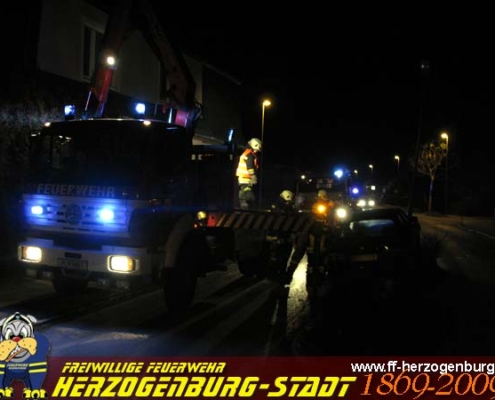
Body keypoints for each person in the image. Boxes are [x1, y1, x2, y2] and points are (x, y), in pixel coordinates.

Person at [236, 138, 262, 209]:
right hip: (246, 180)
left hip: (243, 179)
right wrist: (253, 177)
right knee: (248, 197)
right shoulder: (250, 155)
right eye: (256, 149)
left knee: (244, 196)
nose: (257, 151)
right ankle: (247, 211)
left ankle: (244, 210)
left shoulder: (247, 153)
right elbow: (250, 166)